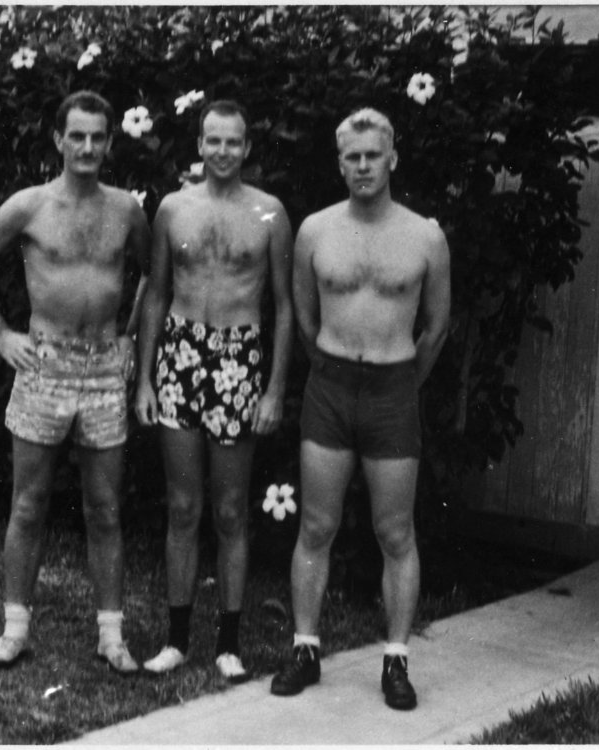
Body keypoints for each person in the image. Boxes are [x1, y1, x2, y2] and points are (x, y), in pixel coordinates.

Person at [0, 90, 150, 673]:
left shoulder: (126, 211)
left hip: (103, 372)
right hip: (44, 366)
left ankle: (111, 637)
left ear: (110, 143)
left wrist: (131, 337)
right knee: (30, 502)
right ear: (58, 140)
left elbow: (152, 275)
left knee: (105, 508)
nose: (87, 147)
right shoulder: (30, 206)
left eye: (98, 137)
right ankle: (15, 628)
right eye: (77, 136)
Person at [270, 108, 450, 709]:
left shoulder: (425, 236)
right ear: (339, 161)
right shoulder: (316, 231)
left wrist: (403, 385)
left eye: (374, 154)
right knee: (316, 525)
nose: (364, 165)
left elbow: (436, 326)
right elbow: (303, 314)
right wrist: (333, 368)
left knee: (395, 531)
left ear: (393, 157)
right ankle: (305, 647)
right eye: (352, 156)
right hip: (330, 386)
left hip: (394, 391)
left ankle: (396, 661)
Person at [135, 100, 294, 683]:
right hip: (179, 353)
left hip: (238, 358)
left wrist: (274, 389)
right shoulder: (173, 208)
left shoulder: (270, 213)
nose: (223, 151)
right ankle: (176, 639)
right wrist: (146, 377)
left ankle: (228, 642)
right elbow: (154, 292)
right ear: (199, 145)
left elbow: (285, 306)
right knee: (182, 506)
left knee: (230, 509)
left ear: (247, 148)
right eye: (213, 141)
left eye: (234, 142)